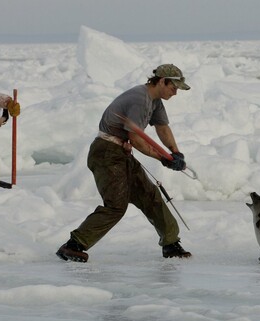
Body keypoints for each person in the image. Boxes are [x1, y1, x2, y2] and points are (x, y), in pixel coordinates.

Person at [56, 64, 192, 263]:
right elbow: (136, 139)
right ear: (162, 81)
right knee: (116, 206)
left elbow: (162, 127)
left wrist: (175, 152)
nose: (175, 92)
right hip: (107, 153)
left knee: (150, 195)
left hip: (121, 152)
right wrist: (163, 158)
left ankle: (171, 243)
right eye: (174, 87)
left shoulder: (154, 101)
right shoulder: (140, 100)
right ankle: (73, 245)